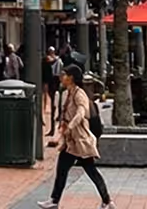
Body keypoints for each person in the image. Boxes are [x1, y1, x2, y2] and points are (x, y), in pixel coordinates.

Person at [39, 62, 113, 209]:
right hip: (71, 141)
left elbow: (81, 113)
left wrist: (70, 126)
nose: (61, 77)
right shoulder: (67, 93)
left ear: (71, 77)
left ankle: (107, 201)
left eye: (64, 74)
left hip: (80, 140)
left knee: (91, 171)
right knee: (62, 170)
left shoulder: (80, 94)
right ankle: (54, 201)